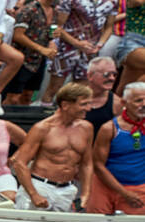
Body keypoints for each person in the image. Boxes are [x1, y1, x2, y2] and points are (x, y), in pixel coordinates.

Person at [12, 82, 95, 213]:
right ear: (65, 105)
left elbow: (87, 164)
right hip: (40, 186)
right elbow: (19, 163)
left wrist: (86, 193)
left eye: (89, 103)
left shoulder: (86, 128)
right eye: (83, 104)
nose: (89, 108)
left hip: (67, 190)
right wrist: (33, 194)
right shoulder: (42, 128)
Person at [51, 0, 118, 92]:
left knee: (81, 91)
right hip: (66, 49)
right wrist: (77, 43)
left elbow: (109, 27)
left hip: (90, 51)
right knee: (54, 89)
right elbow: (58, 27)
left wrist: (99, 45)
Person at [88, 81, 145, 215]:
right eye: (138, 100)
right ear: (124, 103)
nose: (144, 104)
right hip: (104, 187)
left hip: (138, 187)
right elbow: (98, 165)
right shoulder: (109, 128)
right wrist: (124, 193)